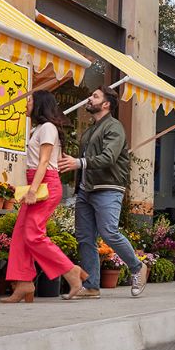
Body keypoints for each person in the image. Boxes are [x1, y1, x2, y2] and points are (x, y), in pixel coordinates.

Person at [59, 86, 148, 299]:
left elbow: (108, 158)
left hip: (108, 188)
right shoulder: (91, 130)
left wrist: (78, 163)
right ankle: (91, 286)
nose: (90, 98)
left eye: (95, 96)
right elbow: (84, 160)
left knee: (109, 232)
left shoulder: (114, 127)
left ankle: (138, 267)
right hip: (86, 190)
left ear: (106, 104)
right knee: (85, 238)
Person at [1, 90, 88, 303]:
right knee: (21, 233)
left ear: (39, 104)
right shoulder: (39, 129)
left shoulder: (48, 128)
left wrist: (32, 190)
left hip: (44, 185)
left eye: (29, 100)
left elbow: (44, 162)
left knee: (33, 234)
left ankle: (71, 271)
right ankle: (23, 283)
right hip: (38, 183)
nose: (26, 104)